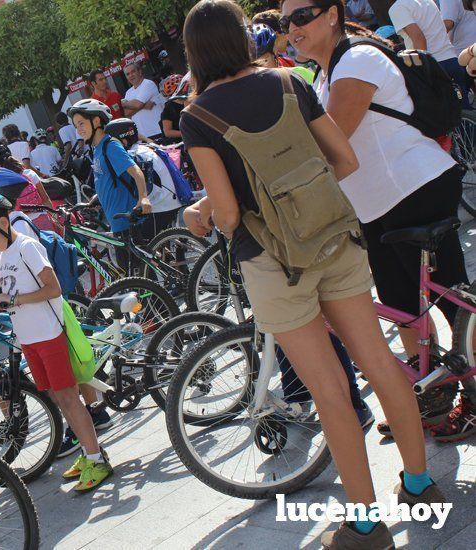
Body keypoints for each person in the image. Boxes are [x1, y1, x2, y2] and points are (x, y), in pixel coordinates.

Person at [183, 2, 443, 547]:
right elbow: (343, 160)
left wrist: (203, 214)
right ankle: (419, 487)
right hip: (335, 239)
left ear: (196, 52)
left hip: (274, 263)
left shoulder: (198, 115)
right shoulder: (291, 82)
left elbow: (228, 215)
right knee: (378, 358)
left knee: (328, 389)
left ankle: (366, 527)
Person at [289, 0, 474, 441]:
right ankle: (427, 394)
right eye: (284, 21)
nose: (290, 28)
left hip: (416, 188)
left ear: (331, 14)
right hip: (377, 207)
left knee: (453, 301)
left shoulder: (358, 59)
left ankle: (472, 395)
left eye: (300, 16)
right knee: (402, 309)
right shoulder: (323, 75)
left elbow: (331, 147)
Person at [0, 193, 114, 492]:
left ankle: (97, 459)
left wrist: (13, 298)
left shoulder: (26, 247)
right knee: (57, 398)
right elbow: (7, 302)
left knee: (69, 397)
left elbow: (53, 289)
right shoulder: (2, 255)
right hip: (29, 338)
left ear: (4, 223)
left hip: (48, 335)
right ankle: (88, 452)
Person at [68, 98, 152, 269]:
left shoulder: (110, 146)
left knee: (140, 275)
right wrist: (96, 198)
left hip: (128, 220)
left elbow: (136, 171)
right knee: (131, 275)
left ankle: (159, 297)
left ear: (96, 121)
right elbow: (107, 178)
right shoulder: (96, 149)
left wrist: (143, 197)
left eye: (82, 123)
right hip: (116, 222)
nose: (79, 130)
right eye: (76, 126)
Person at [104, 118, 182, 237]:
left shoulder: (133, 155)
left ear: (124, 141)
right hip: (172, 199)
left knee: (139, 244)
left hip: (160, 205)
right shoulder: (145, 148)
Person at [389, 0, 471, 108]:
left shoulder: (398, 7)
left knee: (441, 117)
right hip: (452, 60)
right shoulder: (427, 1)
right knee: (464, 113)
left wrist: (422, 71)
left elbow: (419, 38)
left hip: (432, 66)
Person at [0, 141, 57, 232]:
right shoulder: (28, 173)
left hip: (21, 226)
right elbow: (45, 199)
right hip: (43, 220)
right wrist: (54, 219)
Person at [251, 24, 316, 83]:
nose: (259, 68)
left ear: (275, 53)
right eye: (253, 65)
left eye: (264, 61)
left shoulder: (300, 74)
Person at [120, 62, 166, 140]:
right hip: (143, 136)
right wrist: (144, 106)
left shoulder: (148, 84)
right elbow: (127, 113)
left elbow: (137, 104)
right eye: (128, 74)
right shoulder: (128, 92)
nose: (131, 75)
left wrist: (124, 104)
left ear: (140, 72)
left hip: (157, 131)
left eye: (133, 72)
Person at [159, 74, 191, 144]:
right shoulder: (169, 107)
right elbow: (167, 132)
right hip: (179, 144)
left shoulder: (191, 100)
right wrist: (189, 134)